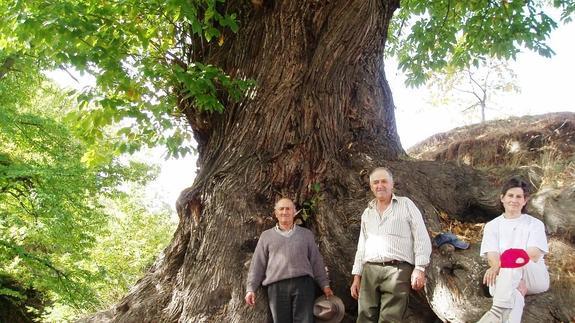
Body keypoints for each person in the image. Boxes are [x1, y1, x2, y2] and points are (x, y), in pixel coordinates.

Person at [350, 167, 432, 323]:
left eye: (384, 181)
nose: (380, 185)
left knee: (391, 318)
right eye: (375, 182)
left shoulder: (406, 204)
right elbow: (362, 246)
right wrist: (357, 276)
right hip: (369, 270)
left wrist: (420, 268)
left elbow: (421, 236)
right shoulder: (367, 213)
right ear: (371, 187)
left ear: (392, 184)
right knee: (364, 316)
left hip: (398, 270)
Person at [245, 198, 334, 323]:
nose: (285, 212)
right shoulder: (266, 236)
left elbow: (316, 261)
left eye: (288, 209)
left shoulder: (306, 234)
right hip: (277, 287)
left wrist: (324, 285)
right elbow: (257, 264)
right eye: (281, 209)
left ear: (294, 212)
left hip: (303, 285)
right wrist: (250, 289)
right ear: (276, 214)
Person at [478, 177, 550, 323]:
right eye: (510, 195)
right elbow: (492, 257)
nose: (514, 200)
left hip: (533, 276)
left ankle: (495, 311)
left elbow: (534, 255)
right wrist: (498, 266)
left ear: (524, 201)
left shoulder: (535, 224)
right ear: (502, 198)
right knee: (515, 295)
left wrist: (500, 264)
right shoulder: (492, 226)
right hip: (502, 279)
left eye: (519, 197)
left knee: (514, 259)